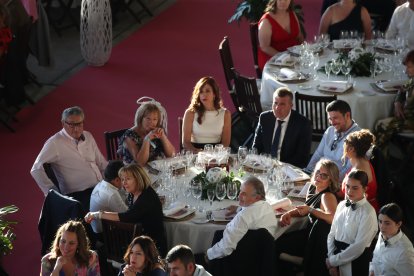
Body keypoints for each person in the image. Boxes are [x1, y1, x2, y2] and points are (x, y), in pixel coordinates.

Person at [31, 106, 108, 212]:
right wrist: (53, 193)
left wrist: (110, 180)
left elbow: (101, 162)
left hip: (99, 187)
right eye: (71, 125)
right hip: (78, 196)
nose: (76, 129)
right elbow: (36, 169)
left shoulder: (88, 135)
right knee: (109, 213)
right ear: (63, 123)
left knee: (125, 201)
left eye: (79, 124)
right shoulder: (55, 143)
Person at [85, 164, 167, 256]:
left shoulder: (146, 198)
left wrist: (97, 214)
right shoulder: (133, 193)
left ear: (138, 179)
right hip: (139, 240)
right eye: (122, 179)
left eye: (128, 179)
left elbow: (126, 216)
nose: (124, 183)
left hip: (152, 247)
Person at [275, 159, 339, 276]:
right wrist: (289, 214)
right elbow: (305, 207)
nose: (318, 176)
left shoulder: (327, 196)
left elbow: (332, 217)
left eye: (324, 176)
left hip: (314, 244)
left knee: (275, 244)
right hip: (308, 235)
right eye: (317, 172)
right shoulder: (313, 188)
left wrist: (310, 210)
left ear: (330, 181)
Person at [206, 176, 277, 260]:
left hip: (241, 261)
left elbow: (226, 247)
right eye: (240, 191)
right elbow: (253, 213)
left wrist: (208, 255)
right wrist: (238, 208)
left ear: (257, 197)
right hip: (263, 257)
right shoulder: (267, 207)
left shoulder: (242, 217)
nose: (239, 196)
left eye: (244, 194)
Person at [326, 170, 377, 276]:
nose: (349, 191)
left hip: (356, 262)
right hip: (335, 256)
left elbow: (358, 246)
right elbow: (332, 233)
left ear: (365, 189)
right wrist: (331, 258)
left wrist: (333, 261)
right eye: (347, 186)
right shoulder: (341, 205)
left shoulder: (368, 212)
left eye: (355, 188)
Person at [252, 87, 312, 168]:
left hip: (287, 169)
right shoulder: (264, 118)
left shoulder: (303, 124)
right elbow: (256, 147)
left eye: (282, 104)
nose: (277, 108)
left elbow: (302, 158)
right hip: (264, 165)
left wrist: (279, 167)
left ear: (291, 106)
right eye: (275, 103)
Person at [305, 100, 360, 181]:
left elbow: (349, 168)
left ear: (347, 115)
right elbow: (318, 154)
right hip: (319, 177)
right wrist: (308, 171)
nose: (332, 123)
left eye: (335, 118)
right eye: (330, 119)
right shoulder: (330, 130)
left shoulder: (357, 137)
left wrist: (330, 181)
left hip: (335, 182)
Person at [117, 97, 175, 166]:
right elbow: (140, 163)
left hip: (157, 170)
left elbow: (172, 155)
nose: (151, 122)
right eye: (148, 118)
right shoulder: (129, 136)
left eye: (155, 119)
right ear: (141, 118)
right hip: (137, 173)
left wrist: (163, 137)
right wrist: (147, 139)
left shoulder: (156, 131)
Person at [375, 50, 414, 148]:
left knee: (381, 125)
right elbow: (402, 89)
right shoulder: (412, 80)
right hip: (406, 117)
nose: (406, 71)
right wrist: (397, 103)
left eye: (409, 67)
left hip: (411, 121)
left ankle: (381, 160)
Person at [182, 77, 231, 152]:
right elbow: (186, 142)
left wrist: (214, 154)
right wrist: (198, 152)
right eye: (201, 92)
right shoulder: (190, 113)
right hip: (195, 152)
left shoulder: (225, 114)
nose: (204, 94)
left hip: (217, 154)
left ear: (214, 94)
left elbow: (226, 143)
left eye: (207, 91)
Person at [339, 129, 379, 212]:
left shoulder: (358, 171)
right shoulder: (363, 162)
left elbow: (354, 203)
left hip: (361, 213)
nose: (343, 146)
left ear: (351, 149)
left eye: (345, 142)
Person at [369, 203, 414, 276]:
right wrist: (372, 270)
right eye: (380, 221)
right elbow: (376, 258)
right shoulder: (382, 234)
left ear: (398, 224)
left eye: (387, 223)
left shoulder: (405, 251)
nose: (382, 227)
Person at [257, 0, 303, 70]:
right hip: (273, 59)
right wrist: (284, 57)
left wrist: (305, 50)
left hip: (293, 57)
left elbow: (299, 36)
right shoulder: (266, 20)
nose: (283, 2)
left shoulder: (292, 13)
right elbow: (264, 47)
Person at [89, 160, 128, 234]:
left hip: (94, 228)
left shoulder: (100, 184)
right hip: (105, 234)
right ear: (117, 180)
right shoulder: (112, 194)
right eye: (123, 179)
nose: (125, 182)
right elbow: (127, 216)